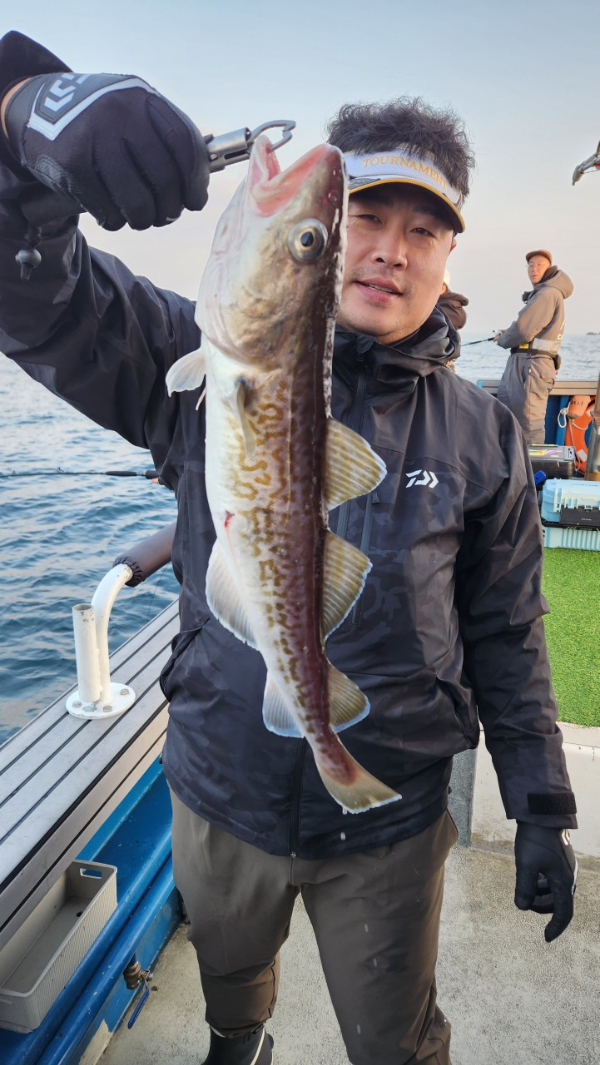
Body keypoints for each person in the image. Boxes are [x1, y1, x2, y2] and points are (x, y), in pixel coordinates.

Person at [0, 32, 578, 1065]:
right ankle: (239, 1036)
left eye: (423, 230)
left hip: (393, 813)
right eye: (357, 221)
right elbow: (36, 298)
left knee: (395, 1037)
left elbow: (507, 630)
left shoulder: (483, 433)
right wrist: (18, 125)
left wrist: (538, 804)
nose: (390, 250)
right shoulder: (188, 361)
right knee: (230, 973)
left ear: (449, 256)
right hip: (221, 785)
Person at [495, 249, 574, 444]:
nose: (534, 269)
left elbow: (523, 329)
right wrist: (509, 333)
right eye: (531, 265)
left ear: (550, 269)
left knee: (529, 426)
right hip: (526, 363)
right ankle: (514, 462)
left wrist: (504, 339)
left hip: (532, 366)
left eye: (540, 265)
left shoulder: (547, 294)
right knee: (510, 420)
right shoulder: (543, 293)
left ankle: (531, 464)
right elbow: (531, 329)